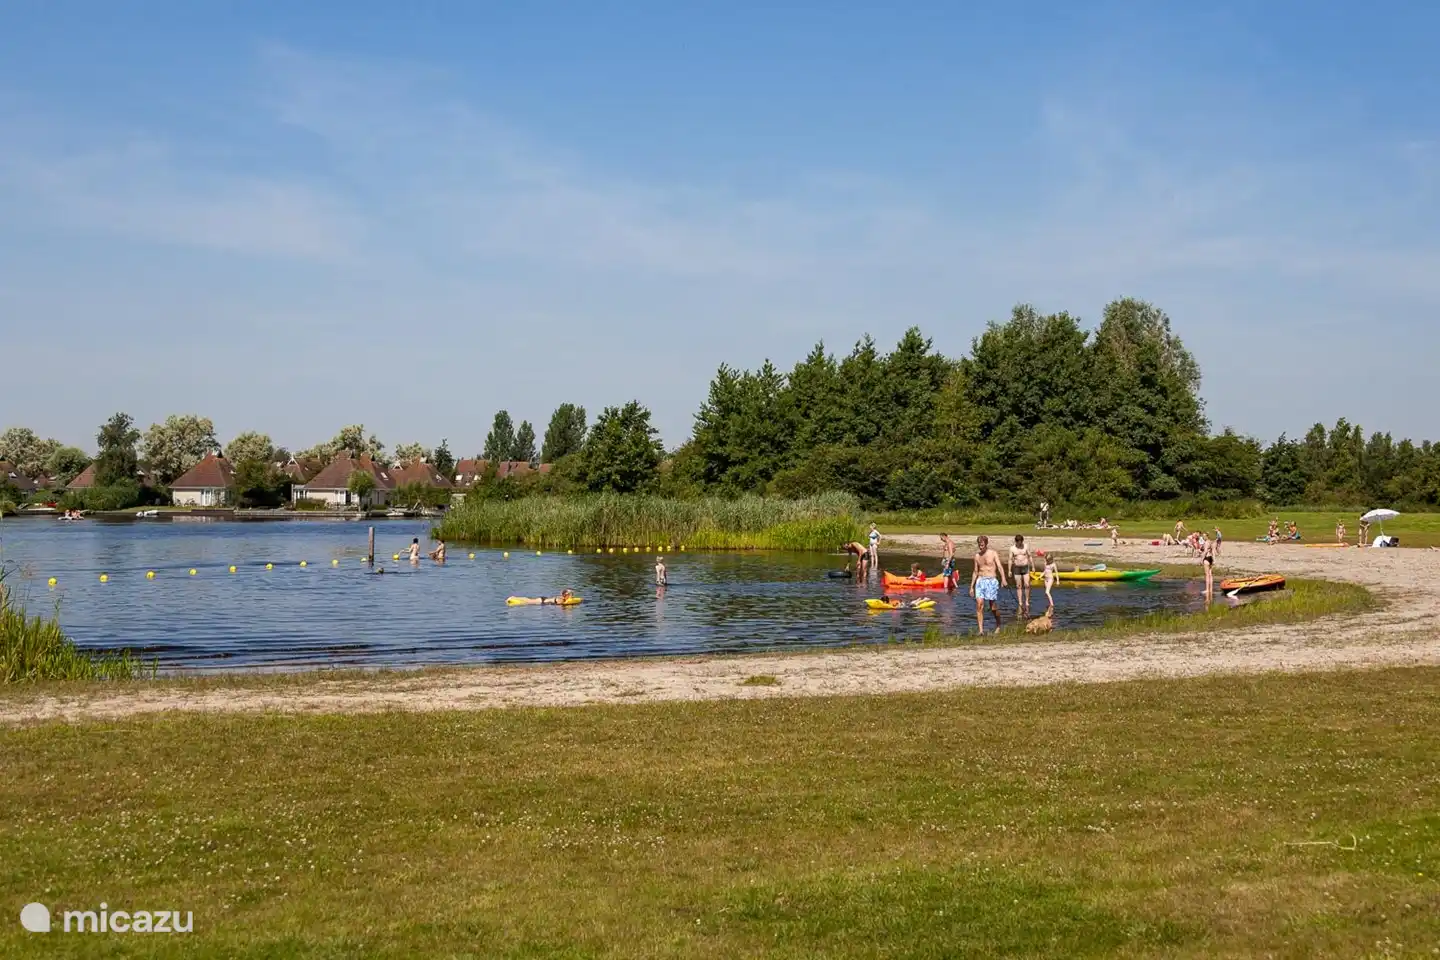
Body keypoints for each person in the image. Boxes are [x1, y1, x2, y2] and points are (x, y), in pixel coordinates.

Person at [969, 535, 1008, 635]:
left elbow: (999, 567)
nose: (980, 547)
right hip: (980, 581)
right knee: (979, 605)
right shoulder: (977, 556)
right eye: (979, 545)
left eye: (982, 545)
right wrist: (971, 587)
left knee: (993, 607)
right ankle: (981, 630)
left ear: (986, 544)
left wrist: (1003, 579)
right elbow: (975, 571)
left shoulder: (993, 553)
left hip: (991, 580)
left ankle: (998, 624)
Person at [1009, 534, 1032, 616]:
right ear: (1016, 541)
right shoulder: (1012, 548)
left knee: (1027, 585)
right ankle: (1020, 602)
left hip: (1025, 567)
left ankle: (1027, 601)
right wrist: (1009, 570)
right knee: (1018, 586)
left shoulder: (1026, 546)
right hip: (1017, 568)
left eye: (1021, 542)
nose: (1020, 543)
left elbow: (1030, 556)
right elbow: (1010, 559)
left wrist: (1033, 566)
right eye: (1018, 542)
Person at [1200, 532, 1216, 597]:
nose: (1203, 537)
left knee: (1207, 575)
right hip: (1211, 558)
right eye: (1202, 536)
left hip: (1206, 558)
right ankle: (1211, 589)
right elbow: (1213, 552)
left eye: (1204, 536)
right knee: (1210, 574)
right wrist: (1214, 560)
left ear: (1206, 536)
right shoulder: (1211, 542)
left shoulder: (1206, 542)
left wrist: (1201, 559)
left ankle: (1207, 589)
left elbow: (1205, 551)